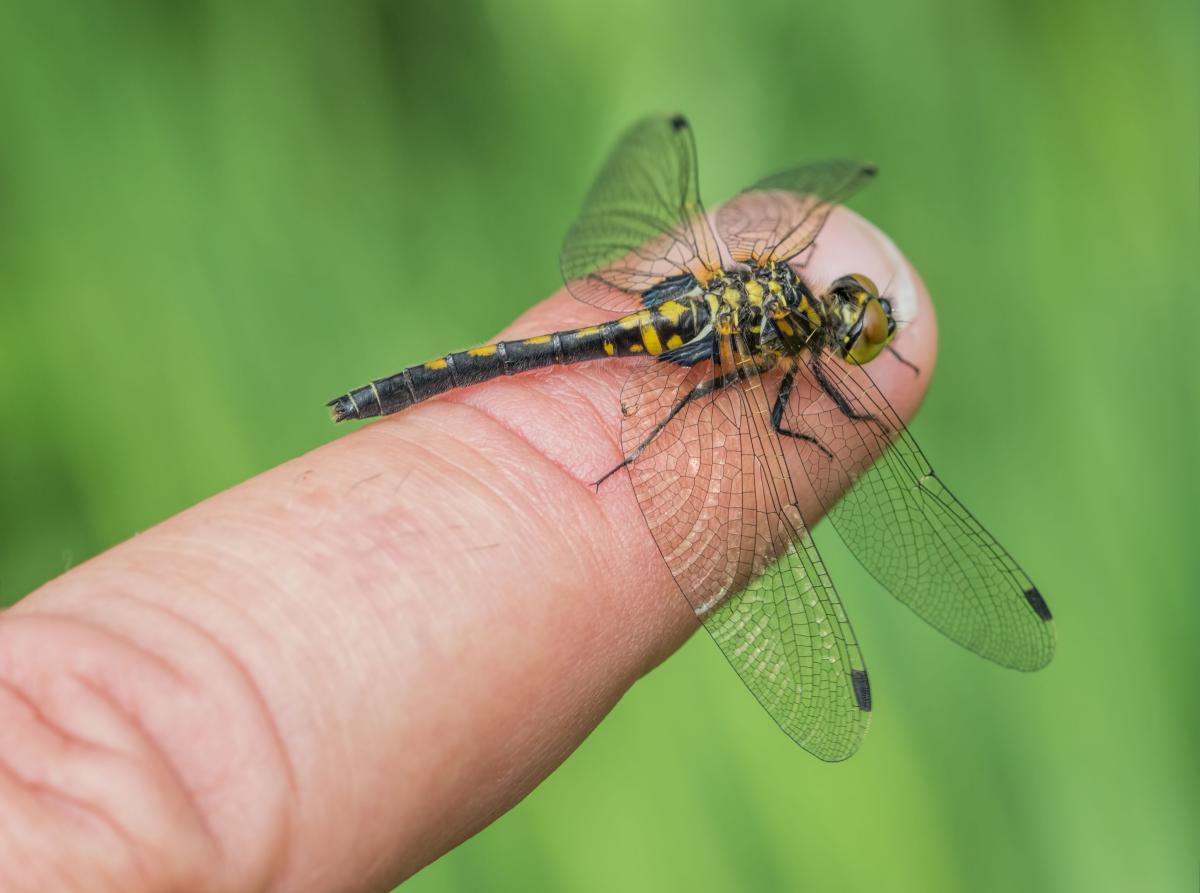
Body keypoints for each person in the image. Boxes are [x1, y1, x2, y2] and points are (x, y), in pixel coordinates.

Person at [0, 211, 934, 891]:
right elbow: (768, 410)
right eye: (853, 317)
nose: (851, 317)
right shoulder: (787, 344)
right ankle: (421, 389)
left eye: (853, 315)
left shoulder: (775, 296)